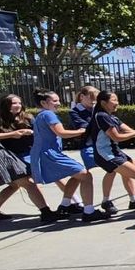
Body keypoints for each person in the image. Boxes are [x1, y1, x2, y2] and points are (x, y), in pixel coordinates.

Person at [29, 90, 102, 221]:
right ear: (44, 103)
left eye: (58, 100)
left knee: (77, 174)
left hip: (45, 153)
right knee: (85, 175)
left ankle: (65, 205)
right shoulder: (48, 114)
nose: (58, 103)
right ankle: (89, 211)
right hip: (50, 154)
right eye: (54, 101)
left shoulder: (41, 115)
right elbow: (61, 133)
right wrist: (81, 131)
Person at [87, 91, 135, 216]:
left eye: (117, 100)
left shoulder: (112, 117)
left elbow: (130, 131)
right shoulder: (101, 116)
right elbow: (117, 137)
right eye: (114, 100)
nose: (117, 103)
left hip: (116, 152)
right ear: (103, 103)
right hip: (106, 155)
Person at [70, 86, 135, 211]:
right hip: (90, 147)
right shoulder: (79, 112)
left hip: (107, 146)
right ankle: (101, 202)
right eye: (91, 97)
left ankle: (133, 199)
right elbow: (87, 126)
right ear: (82, 97)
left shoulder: (101, 112)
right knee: (109, 170)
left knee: (125, 167)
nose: (94, 100)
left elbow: (119, 127)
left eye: (96, 98)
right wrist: (105, 125)